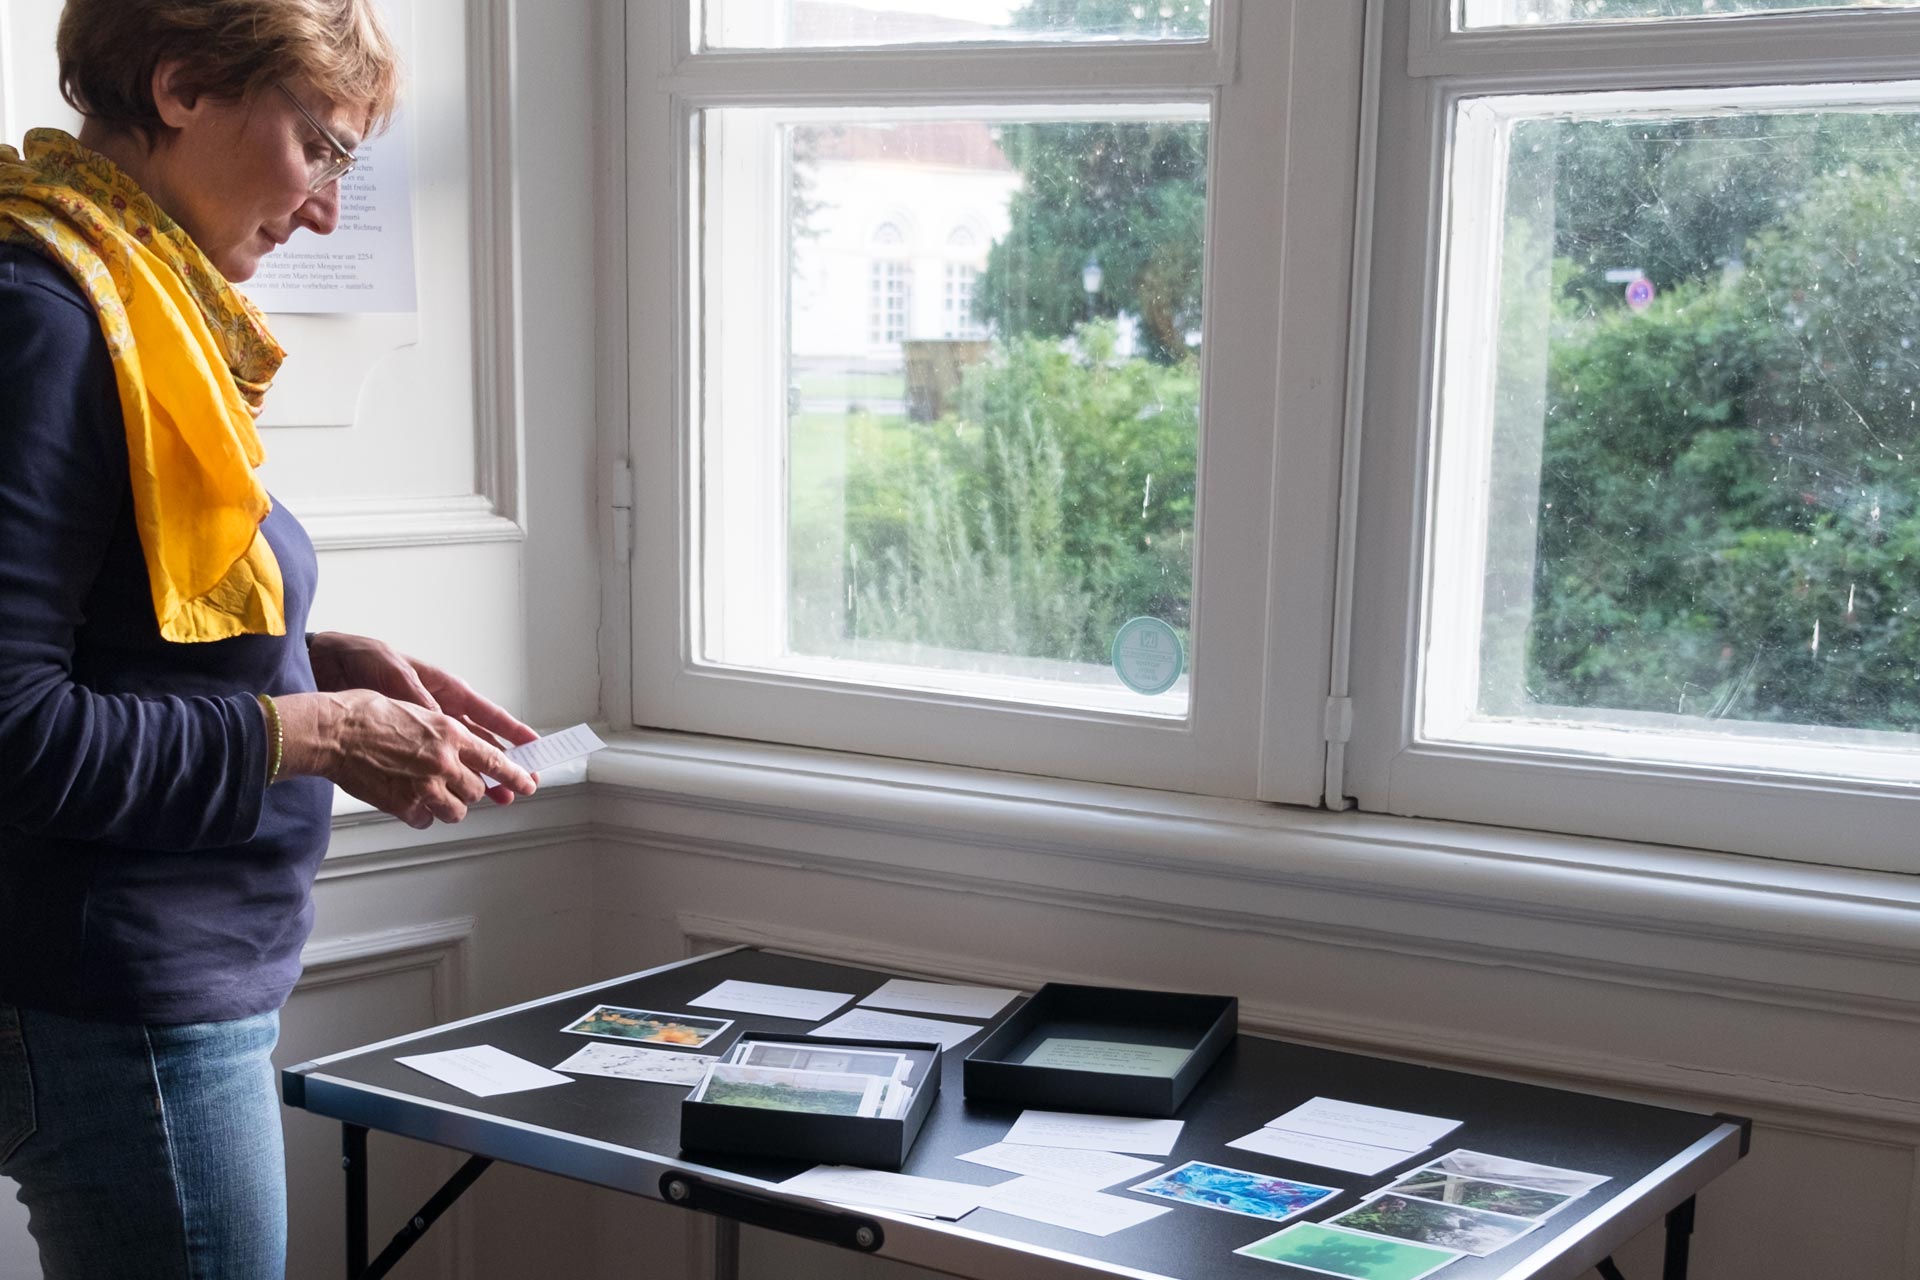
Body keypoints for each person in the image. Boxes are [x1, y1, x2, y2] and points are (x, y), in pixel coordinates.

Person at [0, 3, 538, 1276]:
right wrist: (318, 728)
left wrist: (305, 656)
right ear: (182, 86)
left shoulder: (130, 305)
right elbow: (14, 727)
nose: (328, 212)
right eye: (324, 149)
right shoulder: (51, 321)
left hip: (150, 989)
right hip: (119, 1001)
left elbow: (116, 623)